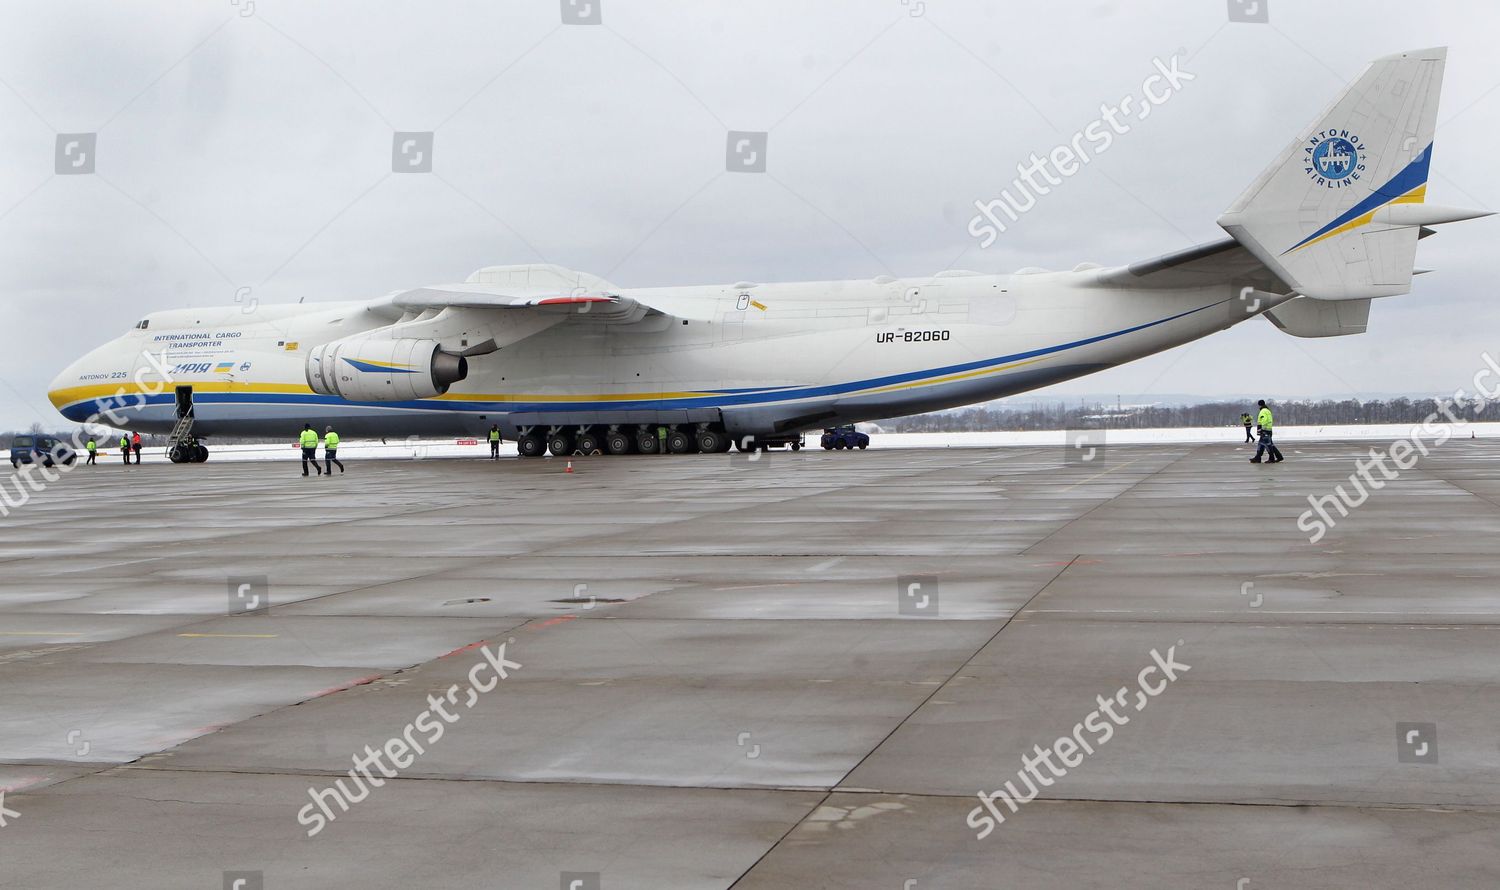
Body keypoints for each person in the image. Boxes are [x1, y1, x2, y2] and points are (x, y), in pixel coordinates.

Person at [1250, 399, 1284, 464]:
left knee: (1268, 445)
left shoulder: (1263, 411)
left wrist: (1261, 429)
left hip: (1265, 430)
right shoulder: (1267, 410)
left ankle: (1271, 459)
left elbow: (1264, 420)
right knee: (1262, 444)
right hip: (1268, 430)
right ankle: (1278, 457)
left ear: (1259, 405)